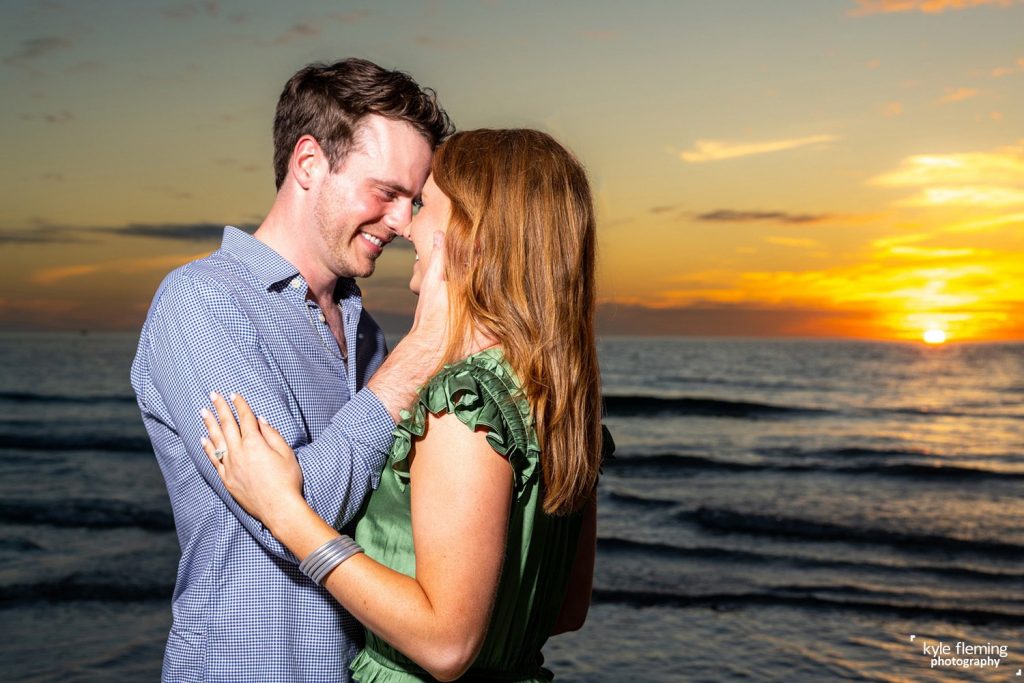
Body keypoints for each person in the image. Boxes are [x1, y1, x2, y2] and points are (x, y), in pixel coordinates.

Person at [201, 128, 603, 682]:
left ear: (471, 236)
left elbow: (445, 647)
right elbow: (564, 610)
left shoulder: (465, 403)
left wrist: (284, 512)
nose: (407, 224)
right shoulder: (557, 400)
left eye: (425, 205)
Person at [130, 58, 456, 682]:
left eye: (414, 201)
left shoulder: (366, 329)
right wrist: (415, 361)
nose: (404, 223)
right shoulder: (202, 303)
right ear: (309, 164)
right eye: (387, 192)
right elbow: (292, 515)